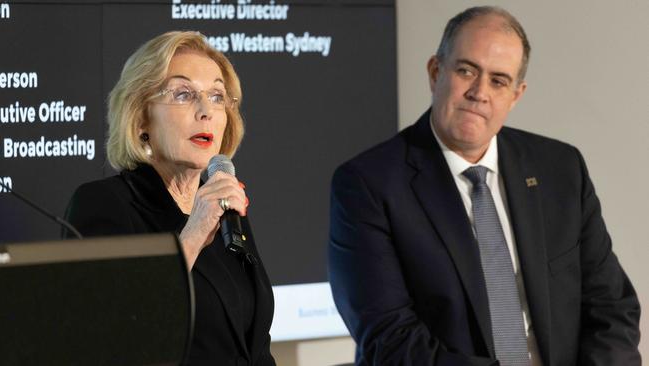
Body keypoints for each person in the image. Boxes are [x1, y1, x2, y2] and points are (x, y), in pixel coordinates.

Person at [329, 6, 640, 366]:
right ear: (435, 72)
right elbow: (391, 340)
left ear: (516, 95)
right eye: (466, 71)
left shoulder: (561, 169)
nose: (480, 92)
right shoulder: (368, 184)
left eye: (498, 81)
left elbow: (612, 307)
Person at [63, 31, 276, 365]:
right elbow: (109, 340)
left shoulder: (226, 206)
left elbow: (253, 347)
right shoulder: (104, 206)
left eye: (217, 96)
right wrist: (191, 237)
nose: (206, 110)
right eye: (183, 93)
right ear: (141, 117)